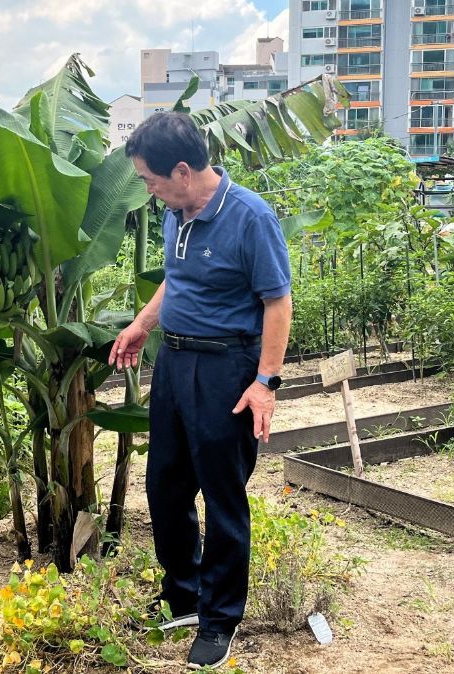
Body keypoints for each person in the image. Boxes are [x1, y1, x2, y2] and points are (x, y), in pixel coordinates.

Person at [108, 112, 292, 670]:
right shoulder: (177, 213)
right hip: (175, 363)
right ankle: (183, 596)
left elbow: (277, 302)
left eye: (150, 179)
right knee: (165, 486)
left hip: (226, 371)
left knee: (222, 495)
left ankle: (219, 620)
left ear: (183, 171)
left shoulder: (250, 217)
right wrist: (143, 323)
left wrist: (265, 383)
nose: (147, 189)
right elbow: (177, 278)